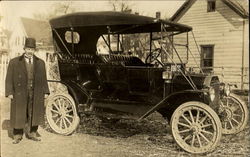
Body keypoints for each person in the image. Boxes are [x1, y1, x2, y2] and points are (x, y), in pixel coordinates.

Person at [5, 38, 50, 144]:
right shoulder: (14, 62)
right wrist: (9, 92)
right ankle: (17, 135)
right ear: (24, 49)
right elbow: (8, 78)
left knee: (34, 111)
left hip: (35, 91)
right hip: (20, 91)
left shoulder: (40, 63)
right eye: (28, 49)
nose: (30, 51)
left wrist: (45, 91)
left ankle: (33, 133)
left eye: (32, 49)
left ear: (35, 50)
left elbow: (43, 78)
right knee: (19, 112)